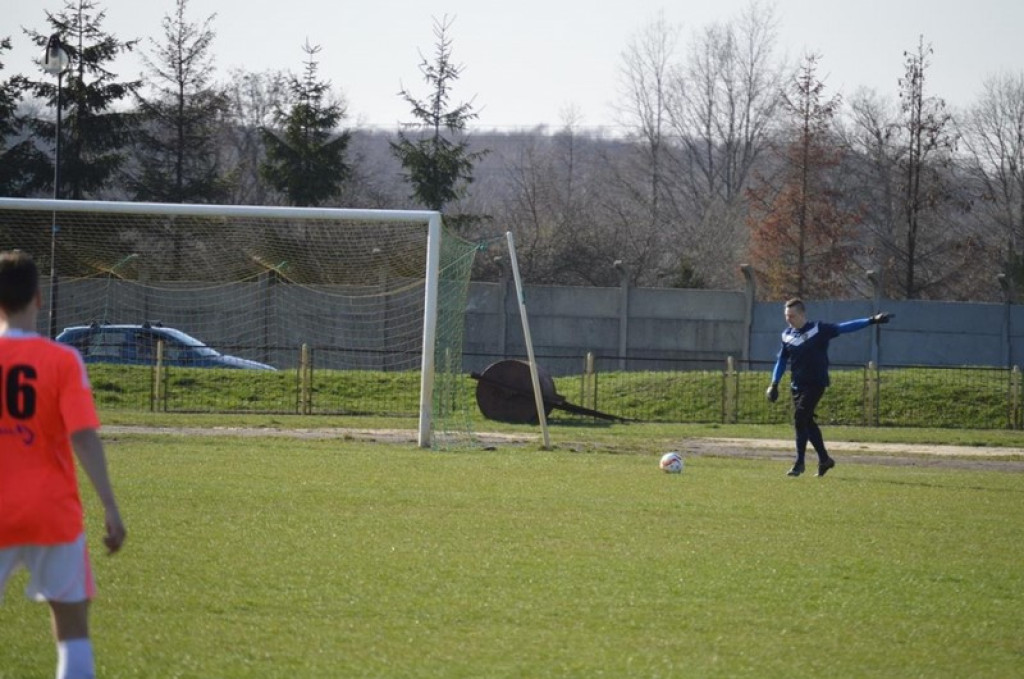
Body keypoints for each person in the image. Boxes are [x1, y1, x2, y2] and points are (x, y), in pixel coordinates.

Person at [0, 250, 126, 679]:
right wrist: (109, 505)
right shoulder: (63, 360)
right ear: (39, 297)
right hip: (52, 512)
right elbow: (84, 436)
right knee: (73, 629)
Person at [766, 298, 891, 478]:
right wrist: (774, 383)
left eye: (791, 316)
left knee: (800, 417)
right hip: (797, 385)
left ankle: (799, 463)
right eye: (786, 316)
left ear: (802, 314)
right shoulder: (787, 335)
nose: (788, 319)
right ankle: (825, 460)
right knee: (807, 422)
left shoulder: (819, 330)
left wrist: (872, 320)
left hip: (816, 383)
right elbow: (782, 360)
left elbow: (844, 327)